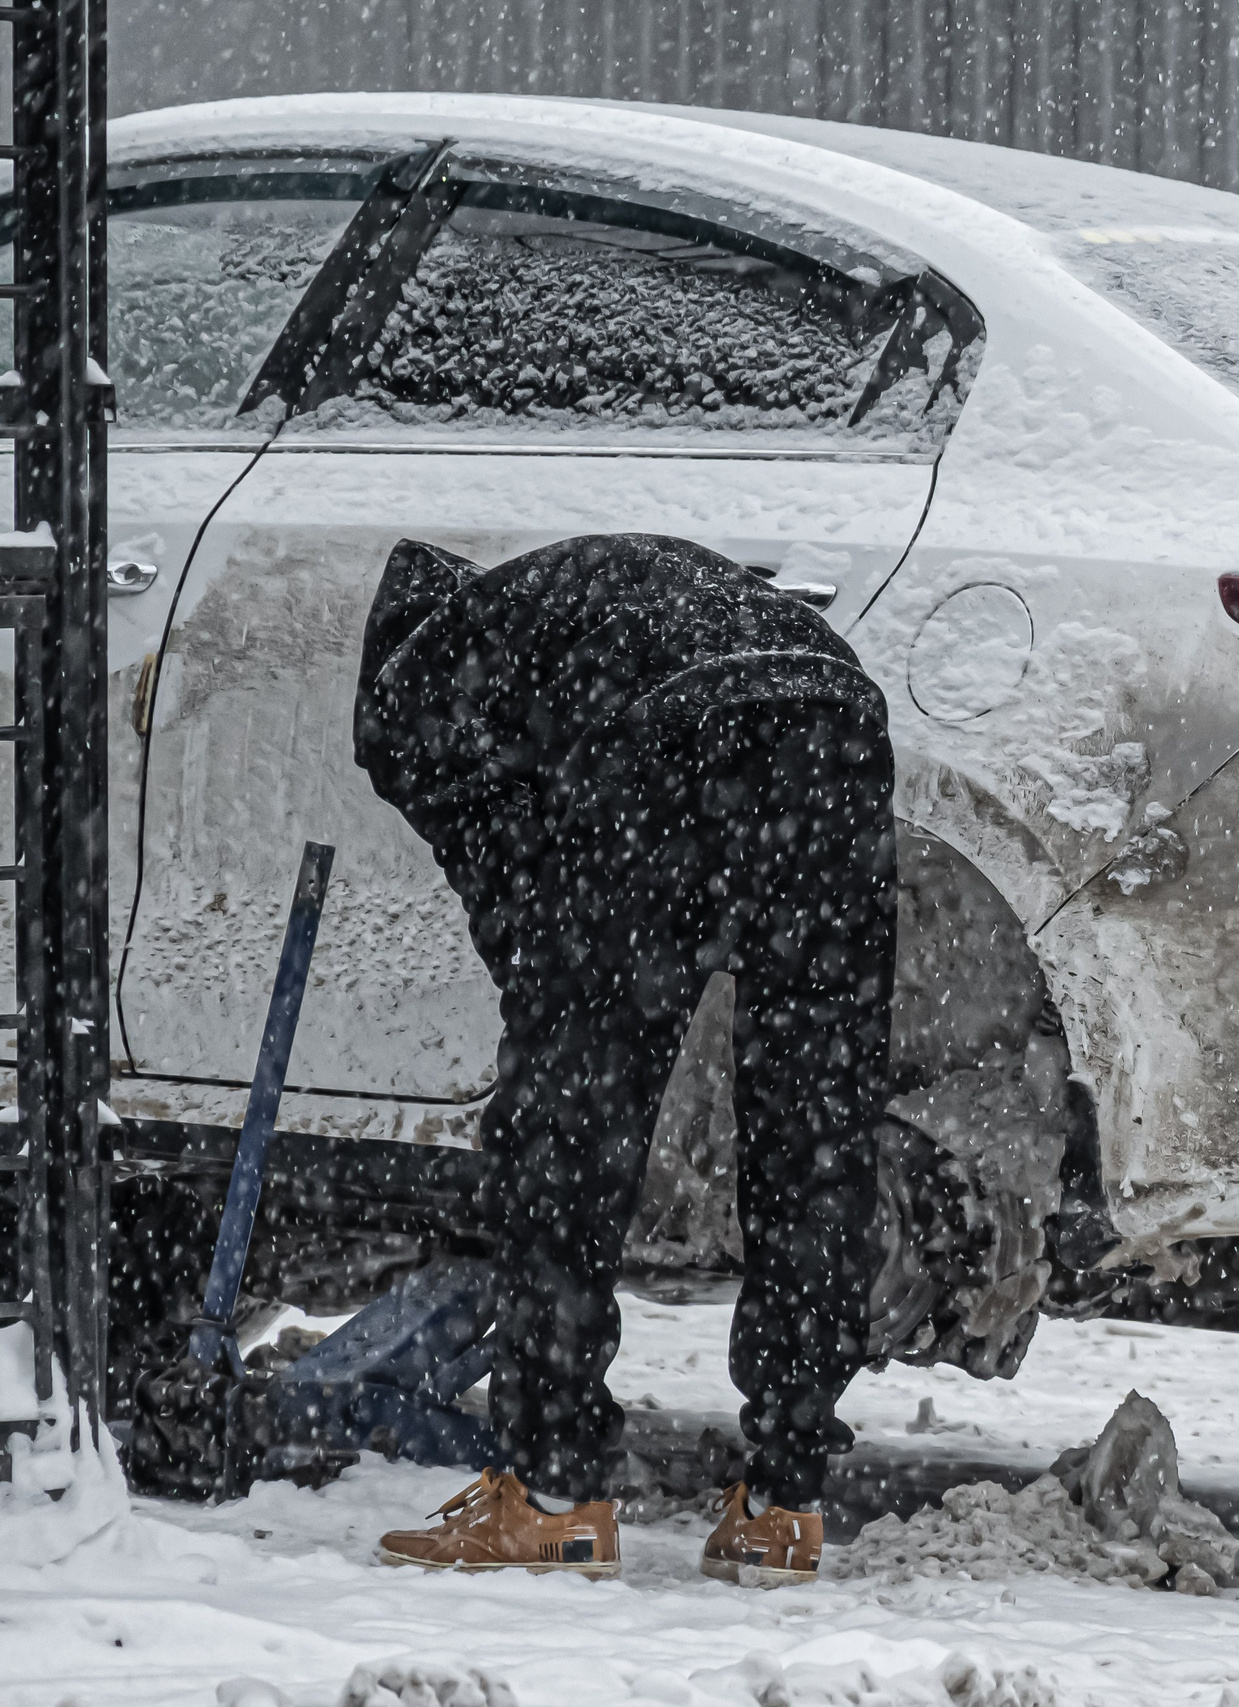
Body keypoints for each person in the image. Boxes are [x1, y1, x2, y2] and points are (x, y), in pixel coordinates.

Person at [350, 533, 896, 1585]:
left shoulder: (418, 692)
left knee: (567, 1127)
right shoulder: (562, 606)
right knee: (815, 1119)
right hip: (833, 720)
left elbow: (496, 868)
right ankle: (784, 1504)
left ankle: (553, 1494)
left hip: (674, 735)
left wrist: (555, 1001)